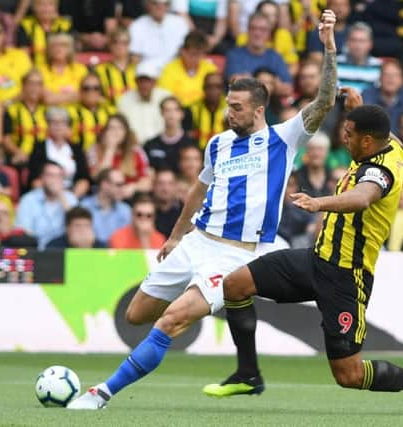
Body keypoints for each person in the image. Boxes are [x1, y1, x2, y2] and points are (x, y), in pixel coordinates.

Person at [67, 8, 338, 410]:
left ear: (259, 109)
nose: (231, 113)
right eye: (229, 106)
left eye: (238, 108)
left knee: (169, 321)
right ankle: (211, 304)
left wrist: (328, 46)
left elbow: (326, 98)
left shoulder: (285, 137)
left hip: (237, 255)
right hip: (197, 241)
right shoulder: (218, 144)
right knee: (137, 315)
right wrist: (177, 235)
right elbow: (198, 188)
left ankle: (101, 393)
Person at [202, 104, 403, 416]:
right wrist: (357, 102)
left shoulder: (380, 171)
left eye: (350, 135)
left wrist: (318, 203)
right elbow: (382, 127)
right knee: (235, 284)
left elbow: (362, 197)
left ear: (367, 141)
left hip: (346, 278)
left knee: (348, 375)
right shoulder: (393, 146)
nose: (344, 139)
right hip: (316, 260)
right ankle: (248, 375)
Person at [224, 12, 293, 97]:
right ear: (248, 31)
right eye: (253, 28)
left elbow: (287, 89)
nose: (257, 33)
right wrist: (271, 82)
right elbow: (235, 83)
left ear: (269, 33)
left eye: (262, 29)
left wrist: (250, 79)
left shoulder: (275, 57)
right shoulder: (235, 55)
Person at [27, 107, 90, 198]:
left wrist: (72, 198)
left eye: (62, 123)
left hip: (72, 193)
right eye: (54, 122)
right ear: (48, 126)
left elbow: (84, 179)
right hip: (46, 194)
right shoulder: (39, 147)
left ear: (68, 126)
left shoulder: (77, 149)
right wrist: (54, 196)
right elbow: (35, 179)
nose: (58, 126)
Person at [15, 160, 78, 249]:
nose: (55, 180)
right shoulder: (28, 199)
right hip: (37, 251)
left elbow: (77, 225)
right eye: (50, 175)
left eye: (59, 176)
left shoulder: (70, 198)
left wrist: (61, 196)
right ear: (42, 178)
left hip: (64, 250)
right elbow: (23, 231)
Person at [88, 114, 151, 199]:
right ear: (105, 131)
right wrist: (110, 148)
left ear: (126, 132)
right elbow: (98, 178)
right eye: (112, 128)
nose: (116, 132)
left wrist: (134, 187)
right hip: (104, 197)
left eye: (120, 128)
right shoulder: (95, 149)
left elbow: (147, 183)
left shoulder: (136, 151)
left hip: (129, 197)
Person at [236, 0, 298, 76]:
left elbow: (294, 66)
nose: (271, 19)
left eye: (274, 15)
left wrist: (279, 79)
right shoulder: (244, 37)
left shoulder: (284, 35)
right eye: (266, 15)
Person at [361, 59, 403, 135]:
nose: (391, 78)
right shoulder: (368, 94)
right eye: (386, 74)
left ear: (402, 80)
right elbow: (368, 124)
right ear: (380, 78)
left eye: (395, 75)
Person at [157, 30, 218, 107]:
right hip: (178, 112)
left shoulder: (210, 69)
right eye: (193, 54)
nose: (197, 58)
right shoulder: (169, 69)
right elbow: (165, 98)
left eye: (200, 54)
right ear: (183, 51)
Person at [117, 60, 172, 144]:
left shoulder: (166, 97)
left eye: (148, 81)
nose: (144, 85)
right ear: (136, 82)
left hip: (163, 145)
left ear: (155, 82)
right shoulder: (125, 99)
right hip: (135, 147)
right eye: (141, 81)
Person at [128, 0, 189, 73]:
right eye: (155, 3)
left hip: (175, 72)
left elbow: (186, 51)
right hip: (147, 72)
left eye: (165, 4)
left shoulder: (180, 23)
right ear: (147, 4)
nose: (160, 7)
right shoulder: (137, 25)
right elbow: (135, 57)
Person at [2, 68, 47, 165]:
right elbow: (6, 139)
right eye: (31, 83)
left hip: (44, 157)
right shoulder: (12, 110)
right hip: (20, 155)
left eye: (38, 84)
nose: (34, 88)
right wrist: (18, 152)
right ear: (23, 86)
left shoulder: (47, 110)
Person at [144, 97, 197, 173]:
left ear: (181, 114)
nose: (171, 114)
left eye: (175, 110)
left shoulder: (191, 143)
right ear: (161, 113)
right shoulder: (150, 145)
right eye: (167, 110)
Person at [80, 169, 132, 244]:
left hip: (118, 254)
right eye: (119, 185)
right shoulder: (84, 207)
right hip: (90, 253)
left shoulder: (126, 210)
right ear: (105, 185)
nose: (122, 189)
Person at [67, 73, 116, 151]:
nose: (91, 92)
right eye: (86, 88)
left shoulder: (111, 112)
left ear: (100, 91)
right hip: (80, 157)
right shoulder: (70, 113)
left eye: (96, 88)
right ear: (80, 91)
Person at [16, 0, 72, 67]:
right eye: (40, 4)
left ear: (56, 7)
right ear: (34, 7)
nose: (45, 8)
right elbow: (24, 55)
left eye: (50, 4)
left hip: (61, 70)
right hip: (34, 71)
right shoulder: (26, 25)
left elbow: (70, 53)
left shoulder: (65, 25)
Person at [38, 33, 88, 106]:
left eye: (64, 45)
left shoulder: (80, 69)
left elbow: (86, 95)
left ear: (70, 49)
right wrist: (73, 96)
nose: (59, 49)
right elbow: (46, 99)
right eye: (55, 46)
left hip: (77, 112)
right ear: (49, 50)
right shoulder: (40, 70)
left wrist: (55, 95)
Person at [0, 16, 32, 103]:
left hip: (21, 104)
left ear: (4, 35)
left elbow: (32, 84)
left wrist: (9, 103)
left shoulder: (19, 55)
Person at [94, 28, 137, 107]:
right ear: (110, 45)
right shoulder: (100, 70)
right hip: (110, 114)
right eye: (115, 42)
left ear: (129, 45)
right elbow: (95, 96)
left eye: (124, 43)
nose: (119, 46)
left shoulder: (138, 70)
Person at [336, 22, 382, 93]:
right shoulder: (335, 63)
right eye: (354, 40)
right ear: (347, 42)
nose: (357, 45)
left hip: (369, 103)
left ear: (370, 44)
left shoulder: (379, 66)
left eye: (362, 41)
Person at [190, 72, 227, 150]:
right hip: (197, 155)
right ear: (203, 88)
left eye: (218, 86)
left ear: (223, 89)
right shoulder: (192, 109)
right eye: (209, 86)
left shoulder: (229, 109)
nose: (213, 90)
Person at [153, 168, 183, 237]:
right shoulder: (146, 211)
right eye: (161, 183)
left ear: (176, 187)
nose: (165, 188)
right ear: (154, 186)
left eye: (170, 184)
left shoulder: (184, 211)